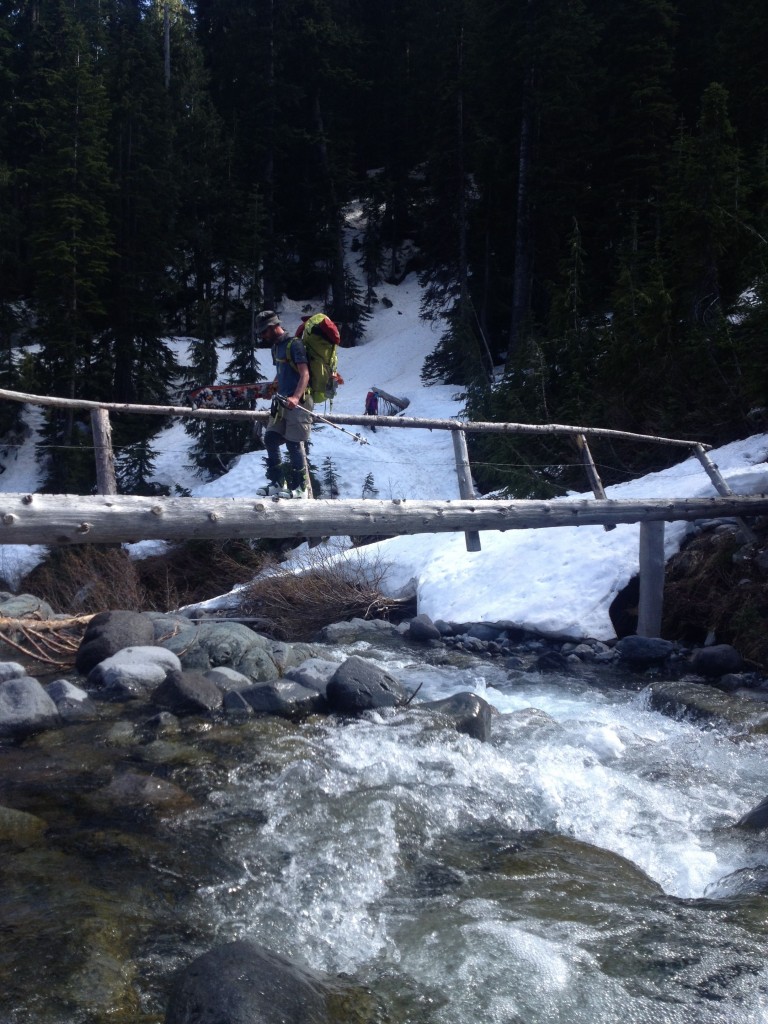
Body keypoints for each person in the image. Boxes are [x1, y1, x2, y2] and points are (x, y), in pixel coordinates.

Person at [254, 310, 313, 498]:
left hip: (299, 401)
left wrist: (296, 397)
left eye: (264, 332)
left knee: (293, 444)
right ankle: (278, 483)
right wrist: (272, 388)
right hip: (281, 401)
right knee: (270, 438)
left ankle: (301, 488)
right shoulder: (276, 347)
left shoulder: (294, 345)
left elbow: (305, 374)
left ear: (272, 327)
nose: (262, 336)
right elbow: (282, 373)